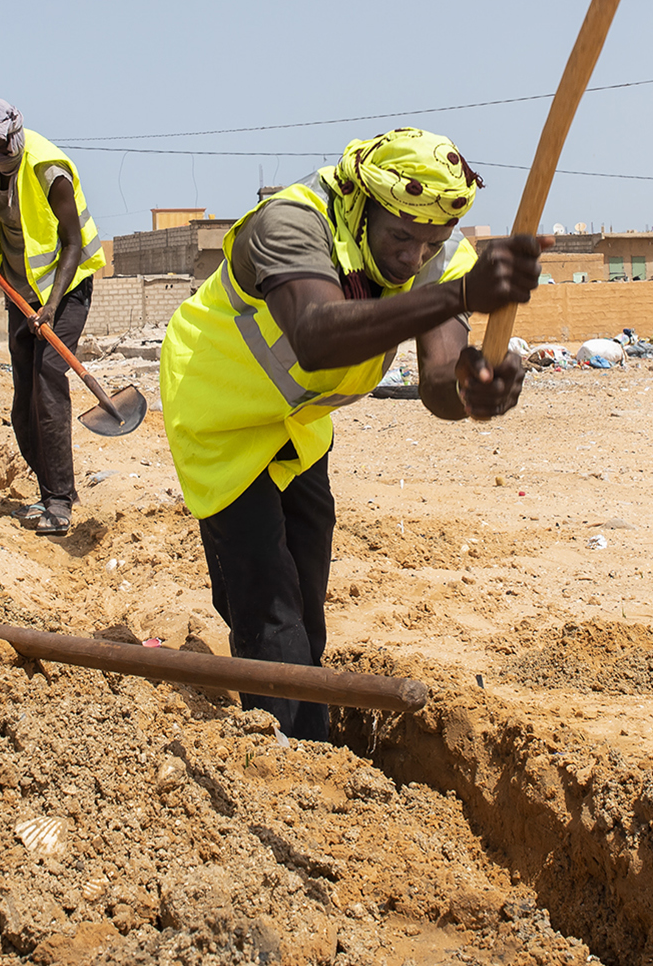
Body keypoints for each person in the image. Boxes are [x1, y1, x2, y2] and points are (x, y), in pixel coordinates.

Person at [158, 127, 548, 741]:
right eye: (400, 238)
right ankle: (293, 754)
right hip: (220, 410)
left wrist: (474, 393)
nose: (413, 259)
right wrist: (460, 294)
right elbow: (314, 336)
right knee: (267, 593)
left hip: (298, 421)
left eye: (432, 244)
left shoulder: (436, 257)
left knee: (308, 591)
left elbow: (439, 383)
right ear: (364, 203)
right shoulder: (288, 224)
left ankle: (304, 722)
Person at [0, 98, 104, 536]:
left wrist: (50, 307)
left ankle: (59, 502)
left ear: (14, 135)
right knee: (22, 404)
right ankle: (52, 488)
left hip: (64, 292)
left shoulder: (50, 170)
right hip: (21, 294)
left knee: (49, 384)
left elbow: (72, 243)